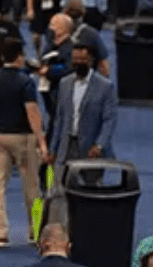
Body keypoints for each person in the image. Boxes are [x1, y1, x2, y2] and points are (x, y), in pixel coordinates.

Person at [0, 41, 48, 248]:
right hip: (23, 137)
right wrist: (41, 141)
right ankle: (34, 231)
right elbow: (32, 112)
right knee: (31, 186)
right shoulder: (25, 81)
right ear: (19, 57)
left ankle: (0, 234)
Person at [46, 39, 118, 228]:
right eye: (75, 59)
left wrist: (100, 144)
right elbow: (59, 118)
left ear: (91, 60)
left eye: (82, 59)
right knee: (60, 190)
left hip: (91, 147)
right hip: (66, 144)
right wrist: (52, 149)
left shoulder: (105, 86)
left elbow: (109, 120)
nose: (78, 63)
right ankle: (65, 229)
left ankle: (92, 227)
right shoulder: (64, 83)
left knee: (91, 189)